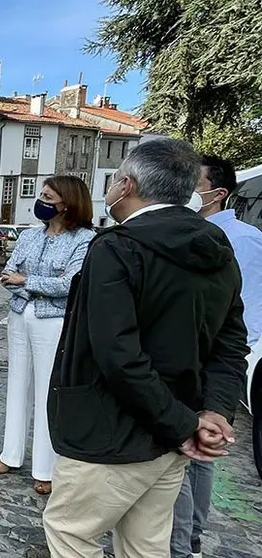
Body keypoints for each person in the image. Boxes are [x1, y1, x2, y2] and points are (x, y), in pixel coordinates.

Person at [42, 138, 249, 558]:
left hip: (111, 432)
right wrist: (211, 412)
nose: (112, 187)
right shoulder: (218, 248)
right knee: (145, 544)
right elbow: (229, 345)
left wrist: (184, 425)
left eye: (116, 180)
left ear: (128, 185)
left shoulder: (117, 247)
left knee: (69, 533)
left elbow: (118, 356)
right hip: (172, 437)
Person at [171, 155, 262, 558]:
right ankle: (189, 537)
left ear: (217, 192)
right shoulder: (197, 230)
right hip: (199, 353)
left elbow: (243, 306)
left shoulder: (240, 238)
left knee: (190, 456)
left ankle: (182, 542)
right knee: (196, 453)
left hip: (209, 357)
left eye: (196, 182)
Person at [0, 176, 96, 496]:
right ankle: (11, 453)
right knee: (17, 385)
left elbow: (70, 284)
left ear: (67, 202)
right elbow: (8, 271)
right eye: (42, 194)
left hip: (52, 321)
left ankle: (45, 467)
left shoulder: (84, 238)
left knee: (46, 391)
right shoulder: (28, 234)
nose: (41, 200)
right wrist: (24, 281)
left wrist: (25, 279)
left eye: (48, 196)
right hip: (19, 315)